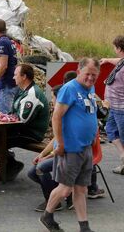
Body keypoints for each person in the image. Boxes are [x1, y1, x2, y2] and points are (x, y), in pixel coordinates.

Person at [40, 58, 100, 232]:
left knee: (81, 189)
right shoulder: (69, 89)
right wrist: (60, 143)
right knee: (65, 189)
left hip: (85, 147)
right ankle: (47, 215)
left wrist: (93, 134)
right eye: (87, 74)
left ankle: (84, 227)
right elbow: (56, 117)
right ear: (79, 70)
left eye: (94, 75)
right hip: (70, 148)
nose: (90, 78)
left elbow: (89, 113)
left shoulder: (90, 88)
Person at [28, 85, 105, 213]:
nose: (51, 101)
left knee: (40, 169)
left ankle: (54, 201)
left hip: (69, 154)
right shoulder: (61, 113)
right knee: (32, 172)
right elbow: (55, 140)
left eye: (53, 98)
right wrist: (42, 154)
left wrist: (48, 156)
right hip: (61, 153)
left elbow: (66, 145)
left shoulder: (69, 116)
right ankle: (63, 196)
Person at [0, 63, 50, 181]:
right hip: (23, 129)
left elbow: (21, 120)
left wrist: (5, 119)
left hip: (32, 133)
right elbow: (14, 114)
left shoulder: (32, 94)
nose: (13, 77)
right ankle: (10, 163)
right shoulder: (22, 90)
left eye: (15, 75)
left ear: (24, 77)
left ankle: (10, 165)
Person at [101, 35, 124, 175]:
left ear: (119, 48)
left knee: (123, 136)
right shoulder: (122, 62)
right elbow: (120, 61)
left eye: (115, 47)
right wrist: (108, 60)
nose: (114, 49)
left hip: (122, 108)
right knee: (110, 130)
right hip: (114, 107)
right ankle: (123, 156)